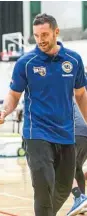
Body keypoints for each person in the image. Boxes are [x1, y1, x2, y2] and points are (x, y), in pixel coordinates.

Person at [0, 13, 87, 216]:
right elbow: (14, 95)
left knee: (64, 188)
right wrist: (5, 111)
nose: (40, 39)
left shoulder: (73, 60)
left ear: (56, 32)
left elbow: (81, 94)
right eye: (36, 35)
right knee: (43, 187)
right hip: (37, 133)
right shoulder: (26, 63)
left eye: (45, 34)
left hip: (66, 135)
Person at [67, 82, 87, 216]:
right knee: (77, 167)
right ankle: (83, 203)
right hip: (85, 133)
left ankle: (78, 197)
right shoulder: (83, 94)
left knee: (65, 170)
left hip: (75, 133)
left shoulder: (65, 95)